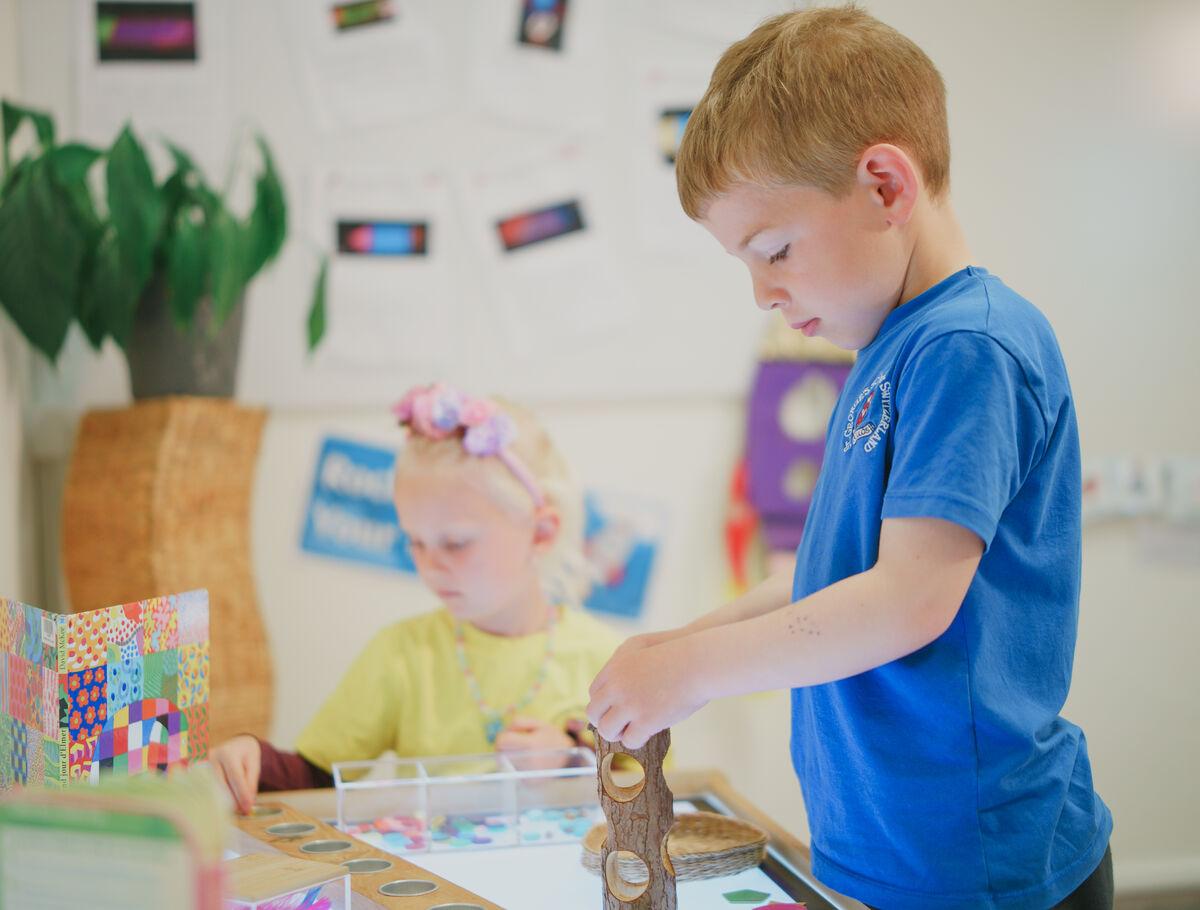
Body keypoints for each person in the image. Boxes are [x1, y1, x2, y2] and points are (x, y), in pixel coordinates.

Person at [587, 8, 1112, 909]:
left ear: (882, 185)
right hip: (886, 852)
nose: (762, 292)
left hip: (978, 870)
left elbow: (906, 601)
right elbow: (834, 577)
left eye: (776, 250)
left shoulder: (968, 346)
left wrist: (694, 673)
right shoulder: (887, 352)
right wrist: (680, 645)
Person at [211, 383, 618, 813]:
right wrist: (253, 761)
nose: (431, 566)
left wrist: (573, 758)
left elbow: (654, 788)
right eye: (415, 542)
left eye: (456, 543)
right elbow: (315, 776)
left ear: (541, 532)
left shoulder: (608, 662)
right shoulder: (400, 654)